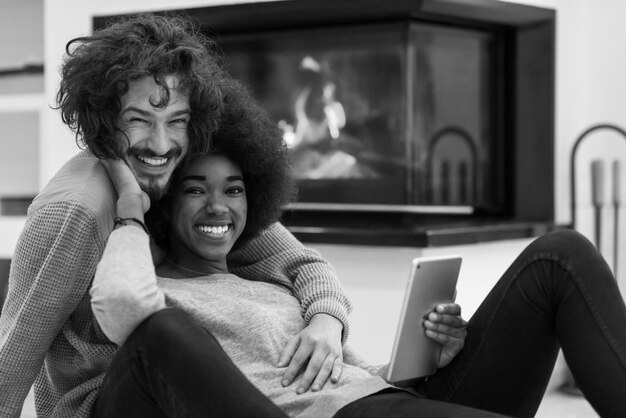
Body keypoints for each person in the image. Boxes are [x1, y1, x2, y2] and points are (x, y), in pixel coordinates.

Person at [93, 96, 626, 417]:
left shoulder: (264, 279)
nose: (219, 206)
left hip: (388, 398)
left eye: (234, 189)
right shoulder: (161, 301)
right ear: (166, 204)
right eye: (194, 190)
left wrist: (422, 364)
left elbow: (344, 368)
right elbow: (122, 301)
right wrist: (131, 207)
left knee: (561, 253)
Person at [0, 14, 353, 417]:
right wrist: (130, 212)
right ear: (102, 118)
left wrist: (326, 320)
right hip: (108, 403)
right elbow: (11, 359)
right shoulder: (75, 211)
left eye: (177, 122)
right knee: (164, 330)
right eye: (139, 120)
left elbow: (301, 264)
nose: (161, 142)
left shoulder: (175, 170)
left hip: (182, 396)